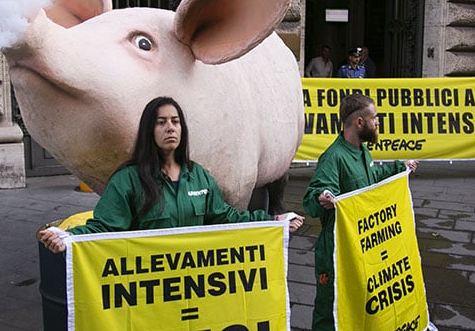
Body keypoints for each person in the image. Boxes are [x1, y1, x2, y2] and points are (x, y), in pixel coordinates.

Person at [38, 96, 303, 253]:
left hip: (194, 284)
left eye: (175, 121)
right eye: (161, 122)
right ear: (148, 130)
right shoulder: (128, 180)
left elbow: (227, 218)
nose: (170, 128)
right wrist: (70, 237)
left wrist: (273, 221)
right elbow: (105, 226)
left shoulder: (198, 176)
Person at [302, 93, 417, 331]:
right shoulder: (334, 157)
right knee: (330, 308)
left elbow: (370, 179)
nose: (379, 123)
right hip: (335, 251)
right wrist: (323, 197)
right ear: (360, 121)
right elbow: (311, 198)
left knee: (360, 300)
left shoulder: (362, 152)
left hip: (358, 248)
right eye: (375, 118)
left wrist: (397, 168)